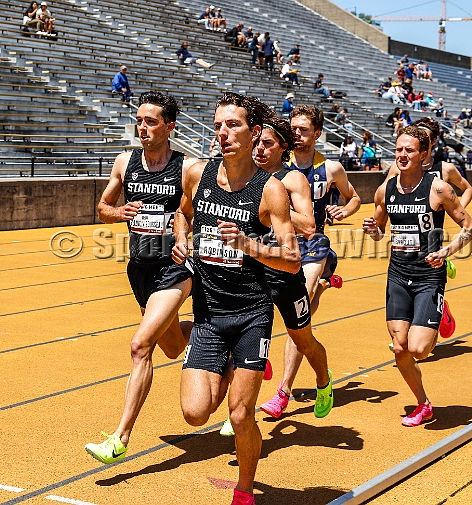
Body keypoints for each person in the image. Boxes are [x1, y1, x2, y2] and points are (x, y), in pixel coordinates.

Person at [172, 92, 301, 505]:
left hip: (251, 313)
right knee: (195, 413)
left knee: (241, 416)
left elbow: (293, 261)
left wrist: (249, 245)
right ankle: (226, 363)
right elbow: (183, 213)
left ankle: (244, 489)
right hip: (208, 313)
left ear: (255, 132)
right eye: (218, 126)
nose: (223, 134)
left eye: (233, 126)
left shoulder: (271, 191)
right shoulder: (197, 174)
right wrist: (180, 241)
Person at [84, 92, 198, 465]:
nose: (143, 127)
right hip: (140, 269)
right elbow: (101, 209)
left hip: (174, 269)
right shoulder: (125, 161)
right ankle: (219, 332)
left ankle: (119, 437)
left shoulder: (187, 168)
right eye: (139, 120)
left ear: (170, 126)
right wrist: (120, 212)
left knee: (139, 346)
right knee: (172, 347)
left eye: (151, 121)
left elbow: (190, 213)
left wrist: (182, 237)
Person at [219, 113, 334, 436]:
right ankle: (239, 411)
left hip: (285, 269)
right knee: (242, 338)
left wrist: (274, 202)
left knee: (303, 339)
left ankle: (323, 380)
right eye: (256, 142)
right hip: (251, 269)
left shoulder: (293, 179)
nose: (258, 149)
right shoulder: (243, 175)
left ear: (283, 148)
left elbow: (310, 226)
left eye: (267, 144)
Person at [363, 125, 472, 427]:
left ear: (423, 155)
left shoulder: (438, 188)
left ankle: (439, 311)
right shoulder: (384, 190)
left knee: (418, 349)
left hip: (429, 275)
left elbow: (470, 228)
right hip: (398, 275)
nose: (402, 155)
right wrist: (374, 230)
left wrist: (446, 251)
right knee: (400, 347)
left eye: (409, 150)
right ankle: (423, 403)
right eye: (398, 149)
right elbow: (379, 232)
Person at [260, 105, 361, 418]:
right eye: (294, 128)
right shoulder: (276, 162)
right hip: (277, 245)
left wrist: (346, 210)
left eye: (304, 129)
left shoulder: (331, 169)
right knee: (298, 328)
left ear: (318, 133)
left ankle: (283, 392)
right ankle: (318, 377)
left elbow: (353, 196)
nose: (298, 134)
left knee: (296, 305)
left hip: (314, 244)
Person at [386, 116, 472, 334]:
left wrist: (454, 209)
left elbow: (468, 189)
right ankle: (424, 316)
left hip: (435, 230)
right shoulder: (399, 168)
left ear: (432, 142)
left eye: (425, 136)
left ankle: (431, 313)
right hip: (407, 237)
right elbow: (387, 197)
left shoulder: (444, 169)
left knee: (431, 265)